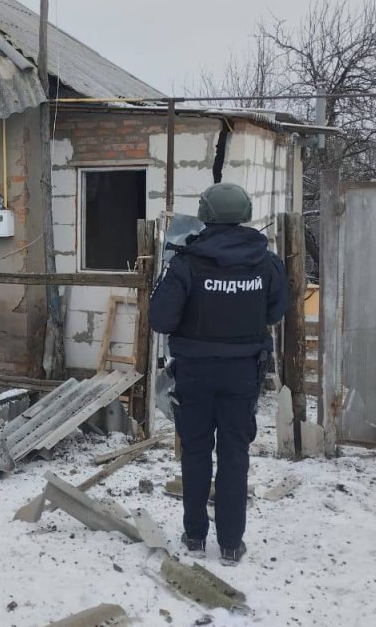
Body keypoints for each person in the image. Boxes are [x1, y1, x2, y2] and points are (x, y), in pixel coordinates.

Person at [149, 183, 287, 565]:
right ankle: (230, 543)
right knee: (233, 454)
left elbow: (161, 319)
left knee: (195, 452)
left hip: (194, 374)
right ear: (245, 214)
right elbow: (275, 312)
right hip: (242, 374)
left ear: (205, 214)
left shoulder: (186, 262)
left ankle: (194, 536)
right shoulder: (266, 262)